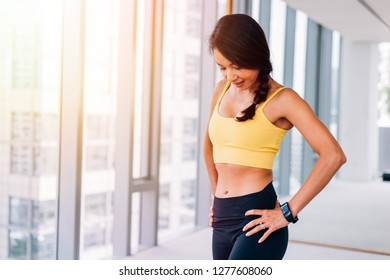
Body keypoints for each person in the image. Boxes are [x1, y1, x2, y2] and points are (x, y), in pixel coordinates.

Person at [203, 13, 346, 260]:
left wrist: (288, 212)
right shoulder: (221, 89)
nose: (230, 76)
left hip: (259, 219)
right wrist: (218, 197)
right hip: (222, 217)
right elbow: (209, 147)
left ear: (255, 55)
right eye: (223, 67)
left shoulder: (283, 99)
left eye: (237, 66)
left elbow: (333, 155)